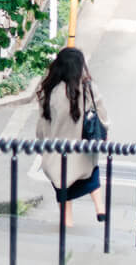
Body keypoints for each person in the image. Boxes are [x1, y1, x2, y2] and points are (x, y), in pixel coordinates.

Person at [34, 47, 109, 227]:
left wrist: (41, 143)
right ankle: (100, 208)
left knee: (63, 187)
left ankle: (67, 223)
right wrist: (105, 131)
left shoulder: (48, 91)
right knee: (90, 174)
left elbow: (42, 126)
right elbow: (102, 115)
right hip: (81, 150)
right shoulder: (87, 88)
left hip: (56, 154)